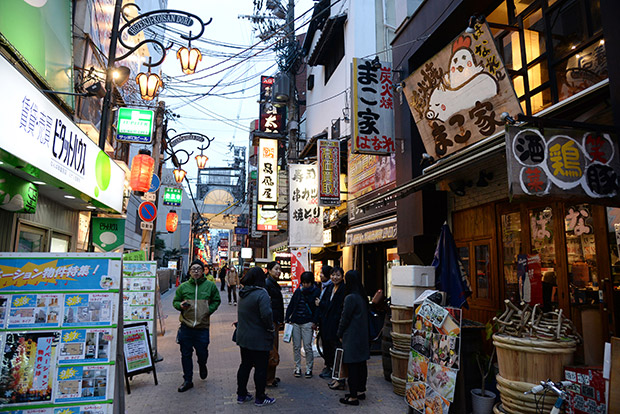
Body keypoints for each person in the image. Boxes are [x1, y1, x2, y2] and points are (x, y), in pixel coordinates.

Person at [172, 259, 221, 392]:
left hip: (202, 327)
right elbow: (175, 301)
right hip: (186, 327)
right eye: (193, 269)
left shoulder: (210, 286)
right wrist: (180, 306)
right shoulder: (183, 287)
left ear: (203, 271)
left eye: (199, 269)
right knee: (185, 355)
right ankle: (188, 380)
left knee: (202, 353)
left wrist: (207, 310)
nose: (196, 271)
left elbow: (217, 300)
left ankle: (202, 364)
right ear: (189, 271)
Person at [235, 266, 276, 406]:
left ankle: (241, 395)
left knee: (245, 365)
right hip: (259, 338)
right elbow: (266, 314)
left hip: (243, 336)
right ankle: (260, 397)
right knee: (260, 367)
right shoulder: (261, 293)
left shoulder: (243, 293)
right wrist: (270, 328)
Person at [337, 270, 370, 406]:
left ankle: (353, 397)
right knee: (361, 364)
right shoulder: (362, 296)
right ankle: (361, 391)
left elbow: (345, 318)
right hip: (363, 336)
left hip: (352, 336)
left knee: (352, 366)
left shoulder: (350, 298)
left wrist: (339, 333)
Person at [285, 271, 320, 378]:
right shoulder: (298, 291)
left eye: (307, 283)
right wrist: (287, 318)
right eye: (303, 282)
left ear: (311, 282)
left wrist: (314, 322)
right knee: (296, 346)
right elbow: (291, 305)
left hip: (308, 323)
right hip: (295, 322)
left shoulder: (316, 292)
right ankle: (297, 368)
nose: (305, 285)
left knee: (307, 347)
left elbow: (317, 309)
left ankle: (309, 369)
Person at [315, 267, 346, 387]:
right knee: (328, 346)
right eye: (333, 275)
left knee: (336, 349)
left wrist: (320, 303)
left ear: (342, 276)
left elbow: (337, 307)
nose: (335, 277)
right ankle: (332, 371)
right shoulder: (330, 288)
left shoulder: (343, 289)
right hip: (327, 323)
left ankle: (338, 376)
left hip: (336, 324)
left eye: (338, 275)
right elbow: (327, 304)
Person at [264, 261, 284, 387]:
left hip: (275, 321)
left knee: (273, 348)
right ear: (269, 270)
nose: (279, 271)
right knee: (272, 349)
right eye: (276, 269)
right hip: (271, 322)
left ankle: (271, 376)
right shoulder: (268, 285)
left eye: (280, 269)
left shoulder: (273, 283)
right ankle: (268, 379)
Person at [315, 265, 333, 378]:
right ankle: (328, 366)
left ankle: (330, 367)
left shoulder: (331, 287)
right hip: (323, 321)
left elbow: (330, 305)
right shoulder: (324, 286)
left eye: (322, 273)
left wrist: (320, 303)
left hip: (329, 322)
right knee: (325, 344)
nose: (320, 275)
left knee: (329, 345)